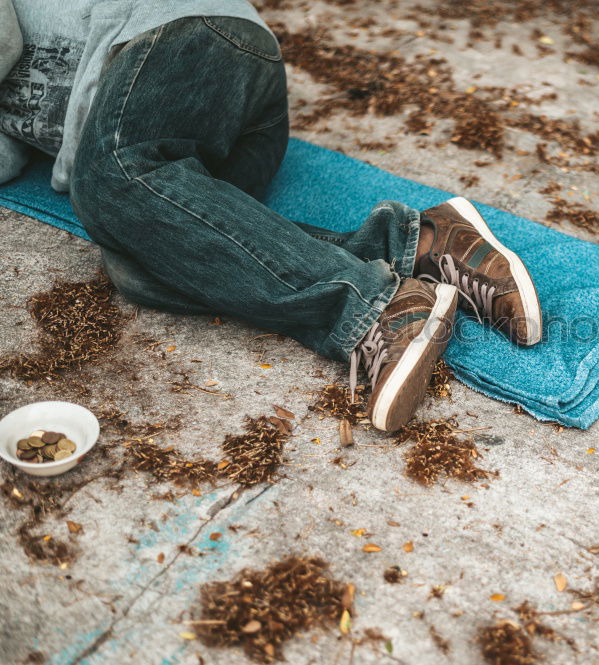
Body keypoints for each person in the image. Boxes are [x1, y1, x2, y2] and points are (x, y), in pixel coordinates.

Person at [0, 0, 542, 432]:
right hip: (221, 136)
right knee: (138, 268)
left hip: (190, 35)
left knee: (115, 173)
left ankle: (371, 306)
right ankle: (419, 245)